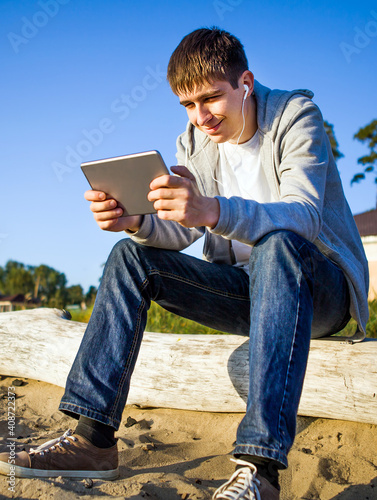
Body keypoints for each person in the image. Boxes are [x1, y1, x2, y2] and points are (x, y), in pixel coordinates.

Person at [0, 27, 369, 500]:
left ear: (245, 83)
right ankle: (91, 441)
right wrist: (137, 221)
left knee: (279, 245)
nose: (201, 117)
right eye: (188, 105)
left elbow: (303, 216)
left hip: (318, 290)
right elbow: (185, 229)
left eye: (211, 99)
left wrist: (212, 209)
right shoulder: (194, 142)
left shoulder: (296, 116)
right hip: (247, 290)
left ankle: (259, 467)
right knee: (132, 256)